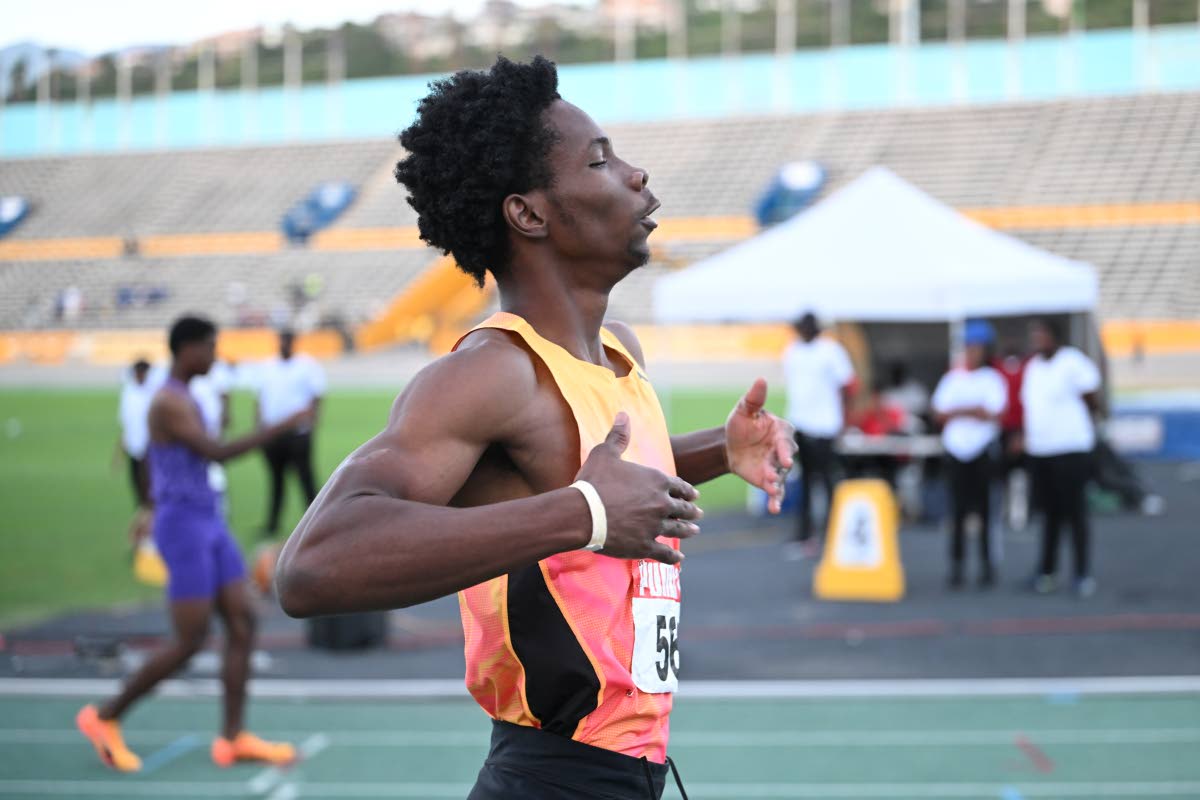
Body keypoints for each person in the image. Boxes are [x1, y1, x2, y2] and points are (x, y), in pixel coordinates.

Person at [273, 56, 796, 800]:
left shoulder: (619, 353)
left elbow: (598, 479)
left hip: (634, 770)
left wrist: (721, 448)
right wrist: (580, 515)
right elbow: (313, 566)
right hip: (553, 777)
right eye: (600, 160)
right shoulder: (493, 372)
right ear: (529, 213)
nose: (637, 174)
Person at [76, 316, 307, 773]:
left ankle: (233, 737)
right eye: (209, 346)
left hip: (209, 519)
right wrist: (285, 424)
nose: (215, 354)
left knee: (242, 623)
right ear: (186, 350)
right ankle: (105, 716)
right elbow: (216, 453)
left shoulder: (184, 397)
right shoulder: (167, 402)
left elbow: (181, 456)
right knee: (191, 639)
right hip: (183, 525)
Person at [1021, 317, 1102, 598]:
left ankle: (1082, 573)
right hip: (1041, 450)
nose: (1036, 340)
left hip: (1070, 449)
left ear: (1054, 336)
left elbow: (1092, 396)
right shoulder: (1032, 367)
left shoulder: (1072, 362)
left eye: (1041, 334)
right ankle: (1047, 572)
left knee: (1075, 514)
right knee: (1049, 515)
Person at [931, 321, 1008, 589]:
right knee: (958, 513)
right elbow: (939, 414)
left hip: (982, 453)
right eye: (968, 348)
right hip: (957, 453)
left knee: (987, 514)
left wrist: (959, 411)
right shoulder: (953, 378)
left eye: (976, 348)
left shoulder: (992, 379)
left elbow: (993, 413)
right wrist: (972, 410)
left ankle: (987, 567)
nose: (971, 353)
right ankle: (957, 567)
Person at [782, 312, 855, 557]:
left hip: (825, 425)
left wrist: (843, 419)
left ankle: (833, 533)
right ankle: (806, 534)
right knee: (804, 482)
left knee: (826, 481)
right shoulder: (792, 351)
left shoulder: (831, 350)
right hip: (800, 424)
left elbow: (848, 385)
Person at [254, 330, 326, 536]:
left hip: (298, 433)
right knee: (275, 481)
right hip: (271, 433)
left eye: (287, 341)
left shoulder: (307, 365)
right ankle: (272, 524)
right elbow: (259, 398)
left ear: (293, 343)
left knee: (306, 479)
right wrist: (259, 426)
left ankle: (316, 523)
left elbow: (317, 396)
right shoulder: (267, 366)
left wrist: (311, 423)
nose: (284, 345)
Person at [115, 359, 154, 508]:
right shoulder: (128, 393)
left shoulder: (153, 393)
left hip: (151, 450)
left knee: (151, 491)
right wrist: (119, 453)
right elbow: (127, 425)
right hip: (134, 449)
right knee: (138, 492)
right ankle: (144, 523)